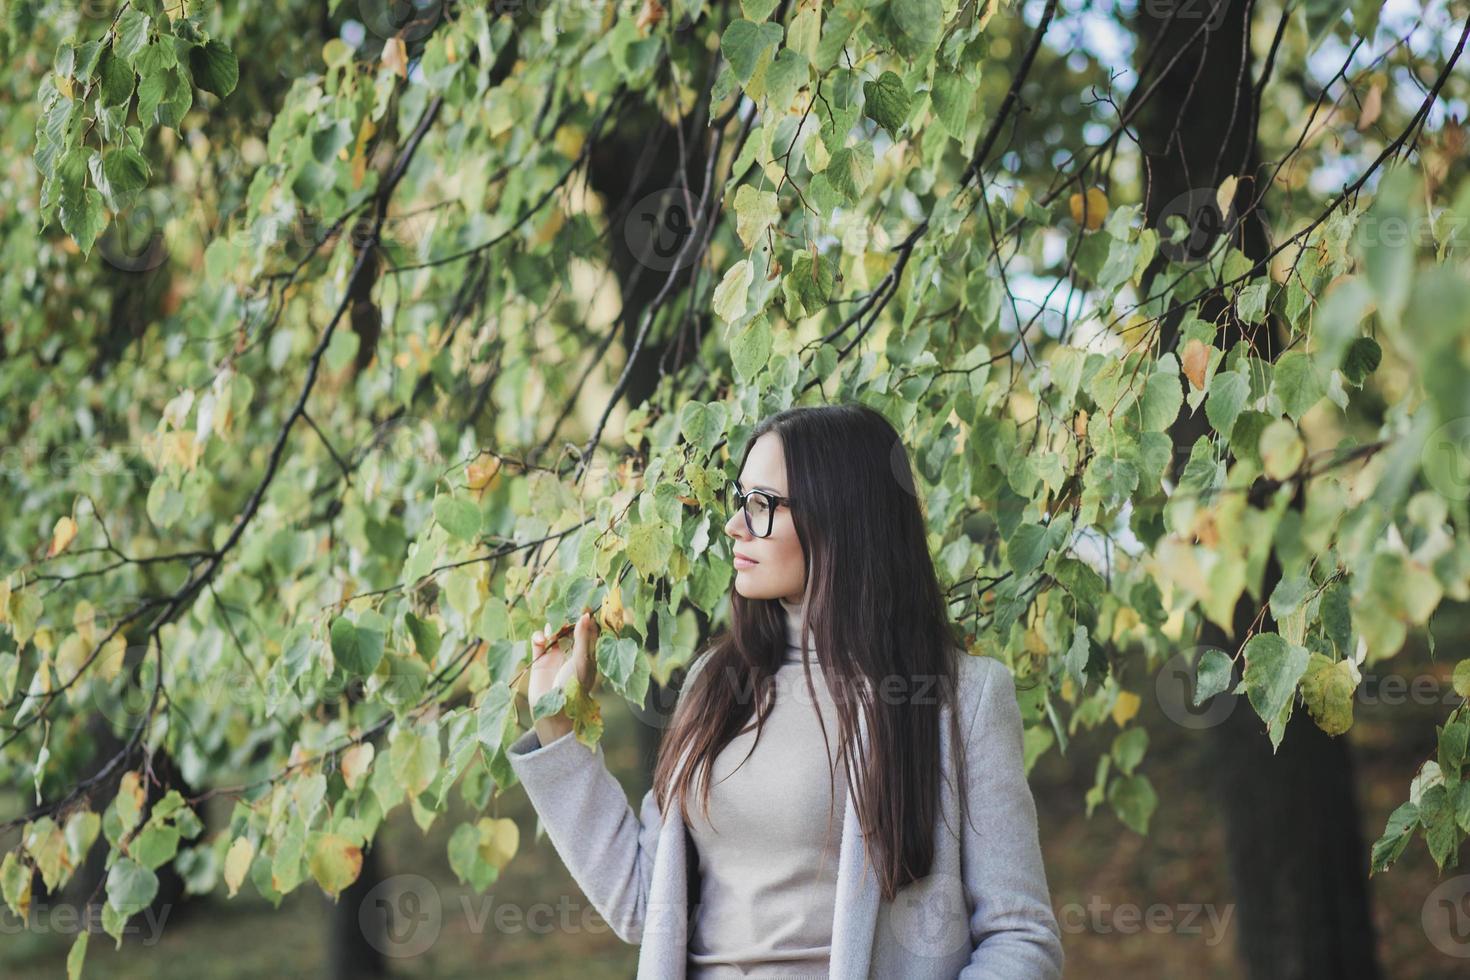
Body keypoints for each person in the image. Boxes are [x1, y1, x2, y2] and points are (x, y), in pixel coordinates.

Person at [508, 402, 1064, 978]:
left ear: (840, 515)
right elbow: (647, 908)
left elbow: (1019, 937)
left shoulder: (959, 700)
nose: (734, 525)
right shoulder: (715, 686)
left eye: (762, 505)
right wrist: (558, 725)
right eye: (739, 499)